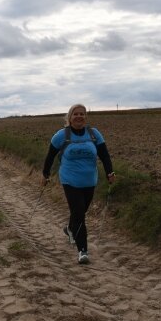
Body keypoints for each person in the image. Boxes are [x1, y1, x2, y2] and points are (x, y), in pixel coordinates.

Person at [41, 104, 115, 264]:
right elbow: (50, 157)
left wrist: (110, 172)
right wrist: (45, 174)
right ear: (70, 117)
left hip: (89, 180)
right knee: (79, 213)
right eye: (76, 114)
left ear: (86, 117)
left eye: (82, 114)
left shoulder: (94, 134)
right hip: (69, 180)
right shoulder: (61, 135)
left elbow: (105, 155)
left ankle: (70, 229)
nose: (79, 116)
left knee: (79, 212)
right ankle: (83, 250)